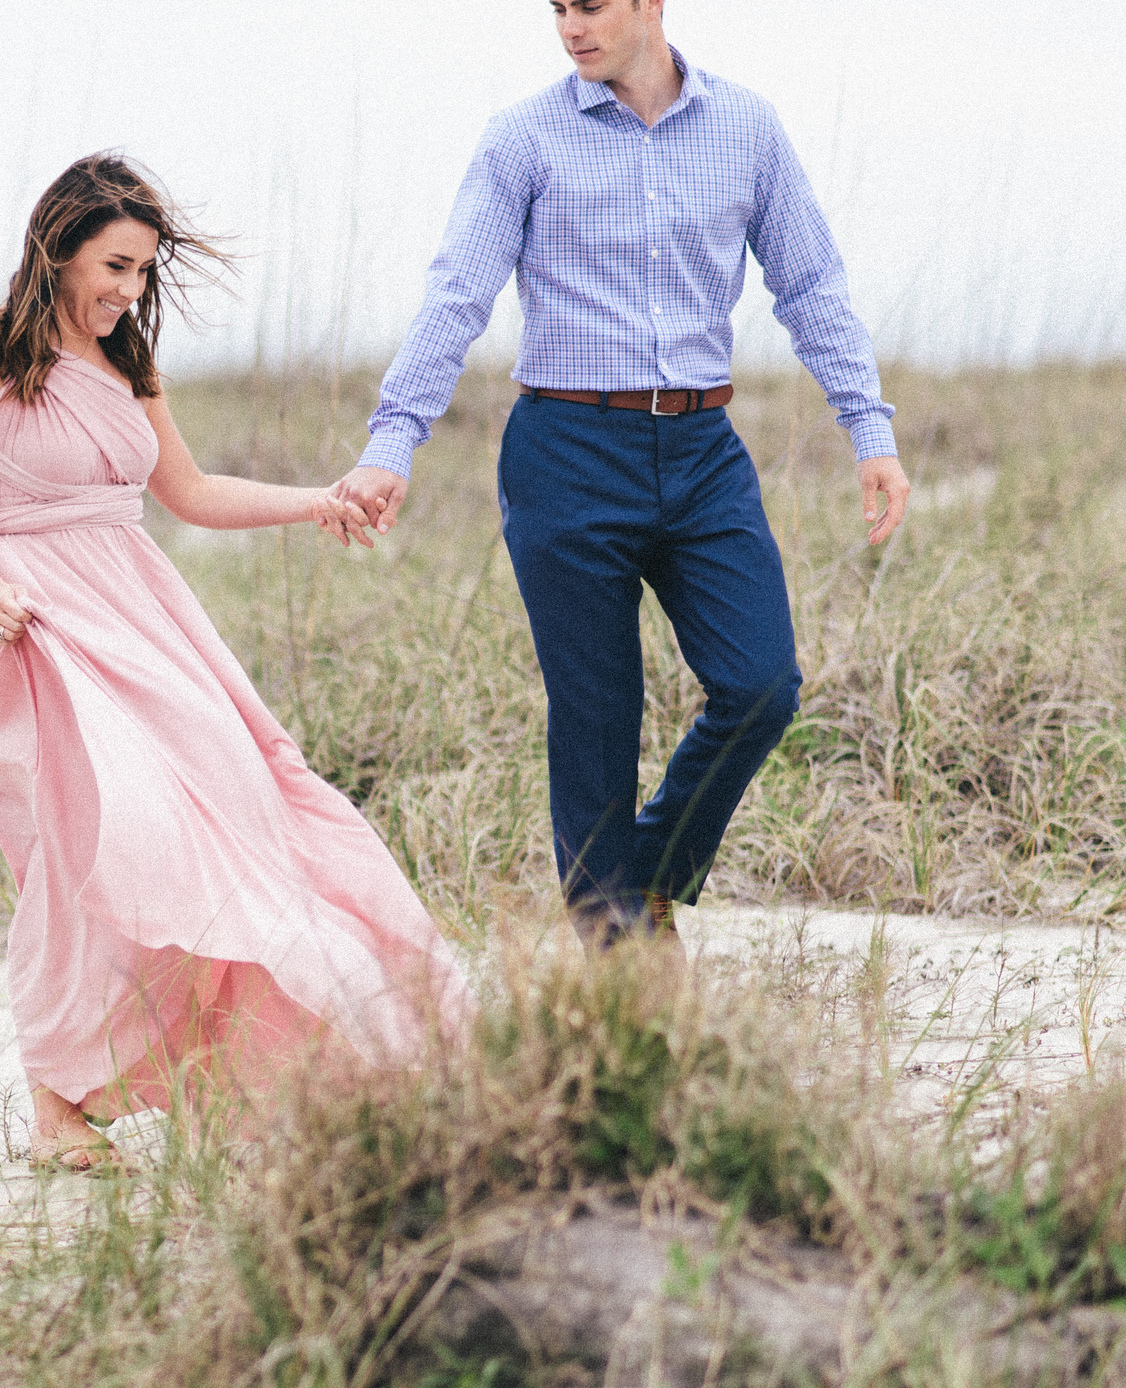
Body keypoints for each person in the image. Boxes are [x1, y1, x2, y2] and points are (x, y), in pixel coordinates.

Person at [0, 153, 471, 1172]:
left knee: (243, 811)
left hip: (144, 621)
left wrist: (318, 501)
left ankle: (246, 1068)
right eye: (114, 266)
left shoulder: (128, 361)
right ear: (59, 246)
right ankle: (55, 1108)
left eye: (142, 272)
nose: (128, 291)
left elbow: (191, 492)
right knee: (92, 849)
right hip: (37, 633)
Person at [334, 0, 912, 942]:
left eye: (591, 5)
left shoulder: (747, 128)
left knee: (762, 683)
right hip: (566, 452)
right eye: (556, 8)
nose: (570, 27)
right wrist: (391, 443)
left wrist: (868, 427)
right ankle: (619, 953)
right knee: (598, 716)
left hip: (700, 452)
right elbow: (459, 293)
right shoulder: (524, 138)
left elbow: (808, 283)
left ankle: (635, 881)